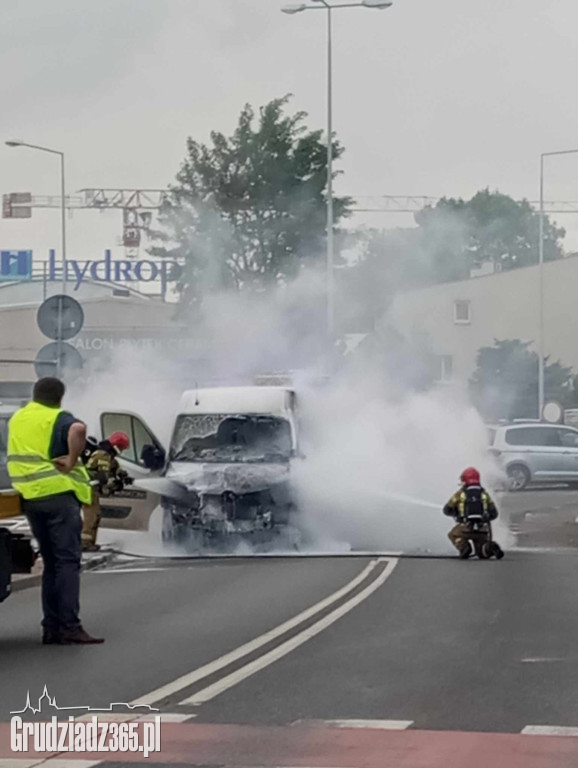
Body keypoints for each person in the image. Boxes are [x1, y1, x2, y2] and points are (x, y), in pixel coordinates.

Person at [7, 377, 104, 645]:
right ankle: (70, 627)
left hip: (30, 498)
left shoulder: (18, 418)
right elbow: (78, 429)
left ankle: (51, 627)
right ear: (60, 397)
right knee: (68, 563)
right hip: (58, 497)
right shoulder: (57, 417)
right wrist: (72, 460)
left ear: (35, 394)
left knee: (51, 564)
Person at [81, 431, 131, 552]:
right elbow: (103, 477)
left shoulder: (109, 457)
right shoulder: (103, 455)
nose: (122, 451)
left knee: (96, 515)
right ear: (117, 446)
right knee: (91, 515)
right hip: (89, 488)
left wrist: (123, 477)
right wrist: (113, 486)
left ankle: (91, 542)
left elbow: (116, 469)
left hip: (92, 488)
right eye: (122, 448)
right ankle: (84, 543)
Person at [443, 466, 499, 559]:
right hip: (482, 530)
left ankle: (464, 547)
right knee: (481, 553)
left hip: (465, 528)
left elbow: (446, 510)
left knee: (452, 534)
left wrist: (457, 514)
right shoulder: (484, 494)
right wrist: (485, 519)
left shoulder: (460, 494)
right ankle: (490, 548)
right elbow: (494, 514)